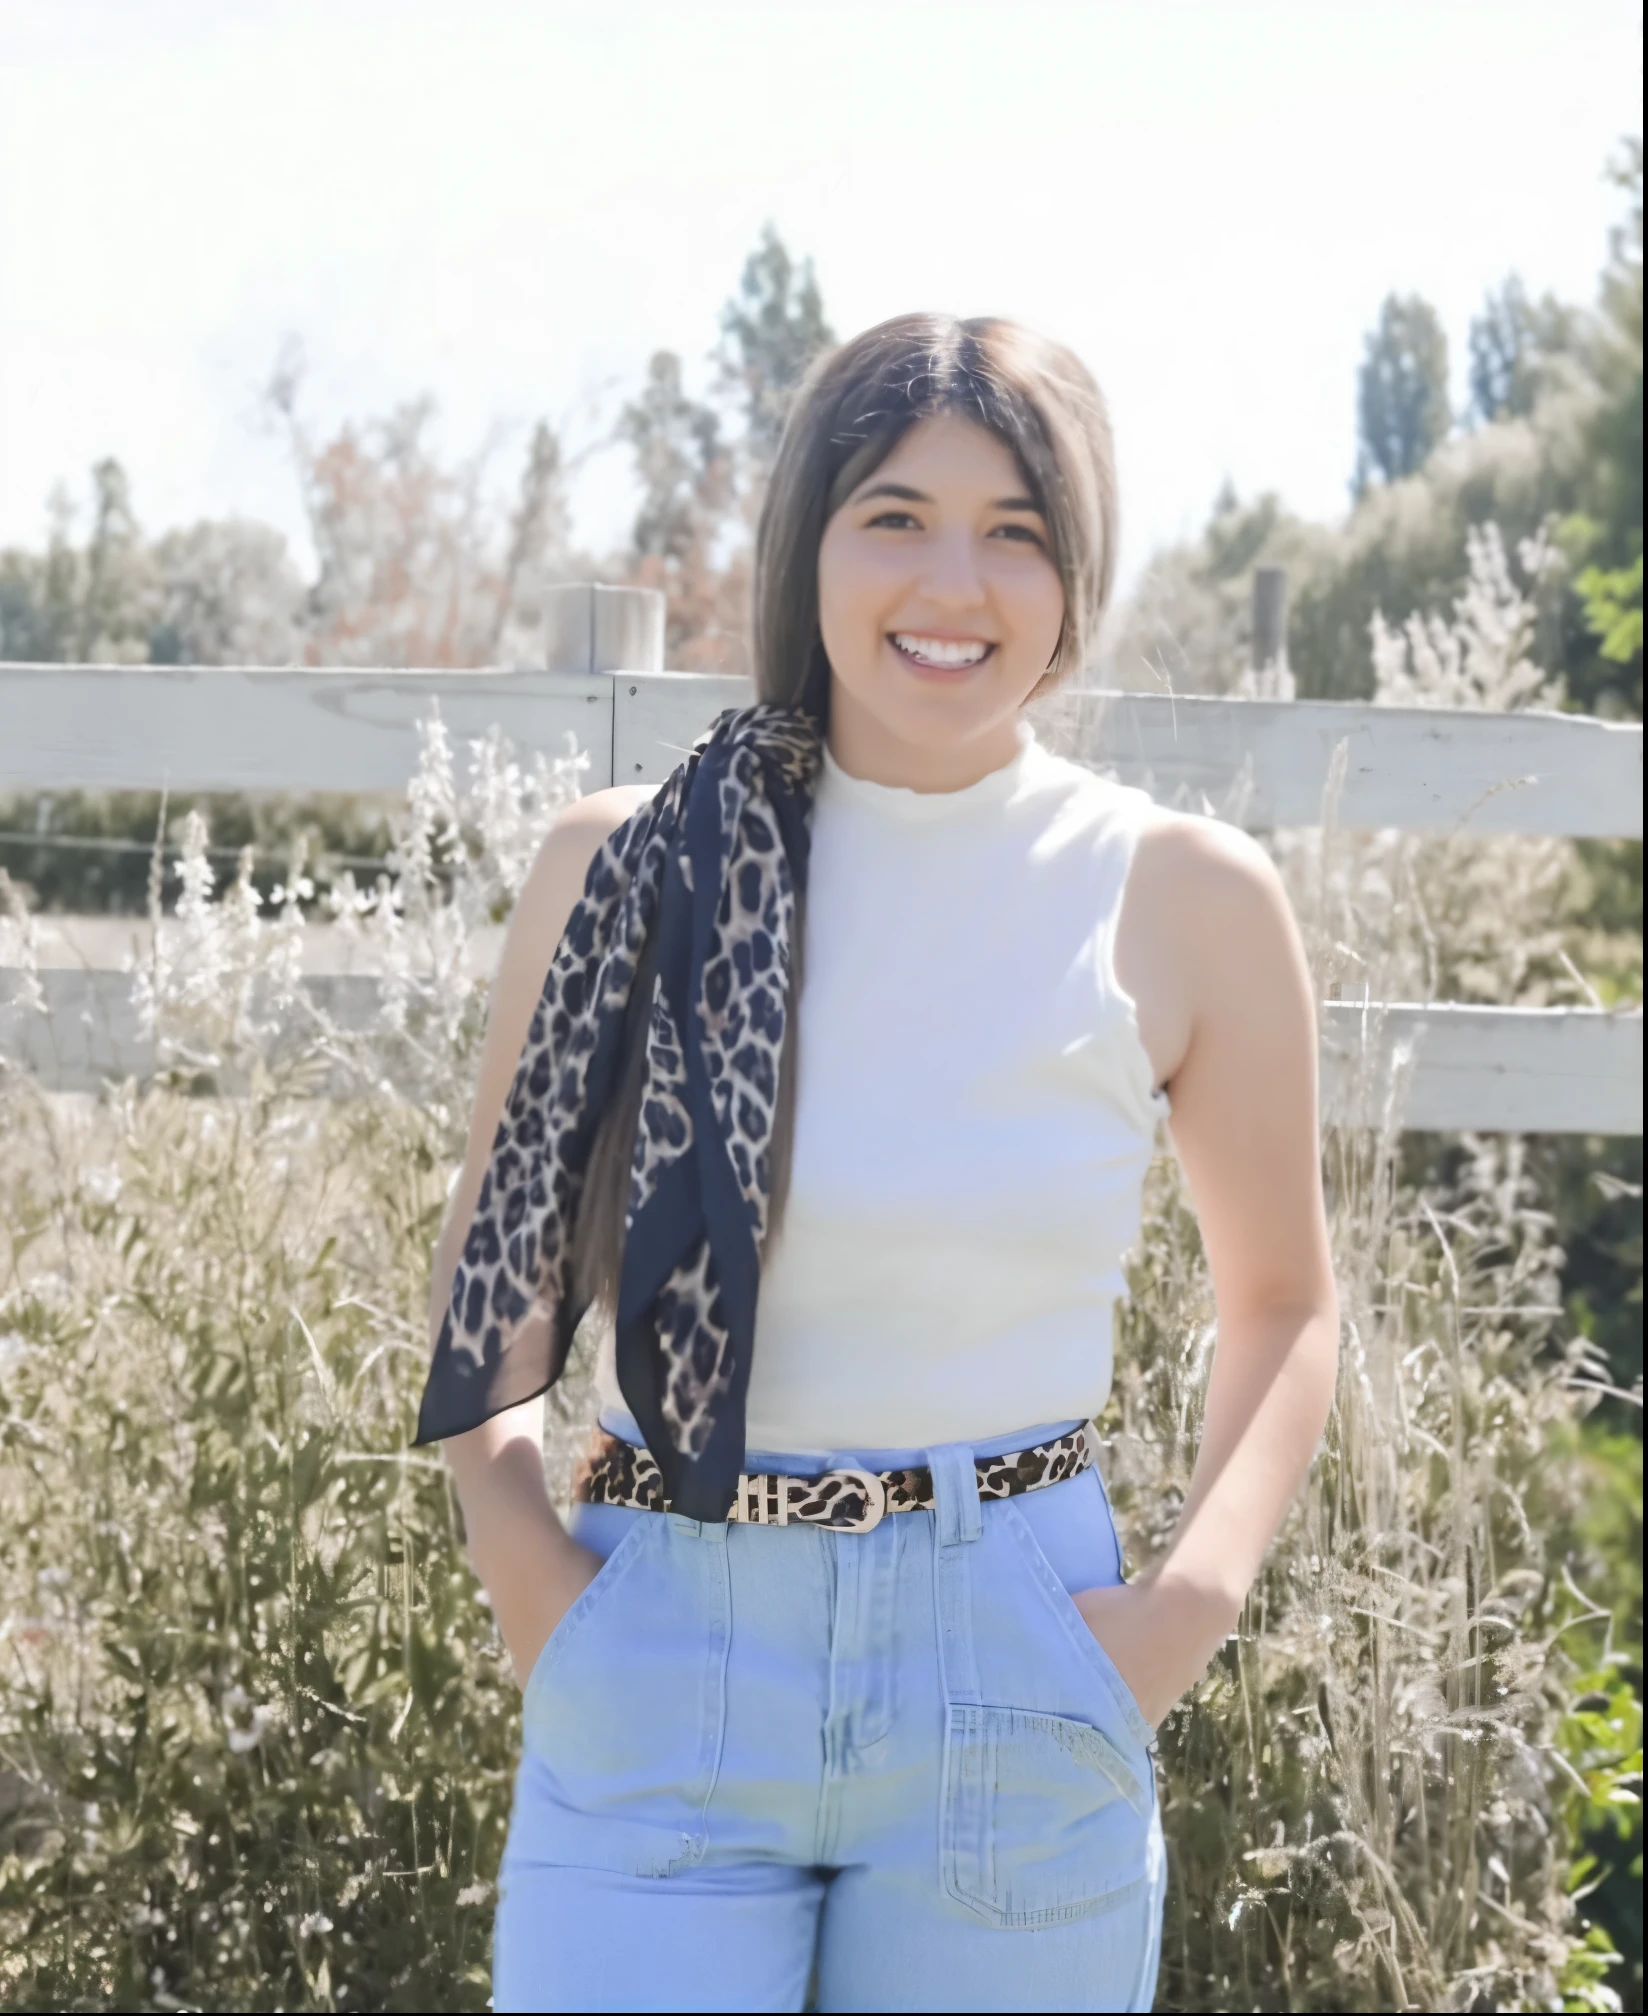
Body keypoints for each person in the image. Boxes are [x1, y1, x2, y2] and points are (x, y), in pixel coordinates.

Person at [414, 314, 1340, 2013]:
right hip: (661, 1636)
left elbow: (1285, 1304)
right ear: (811, 544)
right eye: (896, 516)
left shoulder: (1186, 898)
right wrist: (521, 1550)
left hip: (1015, 1654)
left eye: (1016, 533)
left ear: (1077, 575)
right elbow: (501, 1256)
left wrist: (1175, 1617)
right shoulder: (626, 863)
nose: (953, 583)